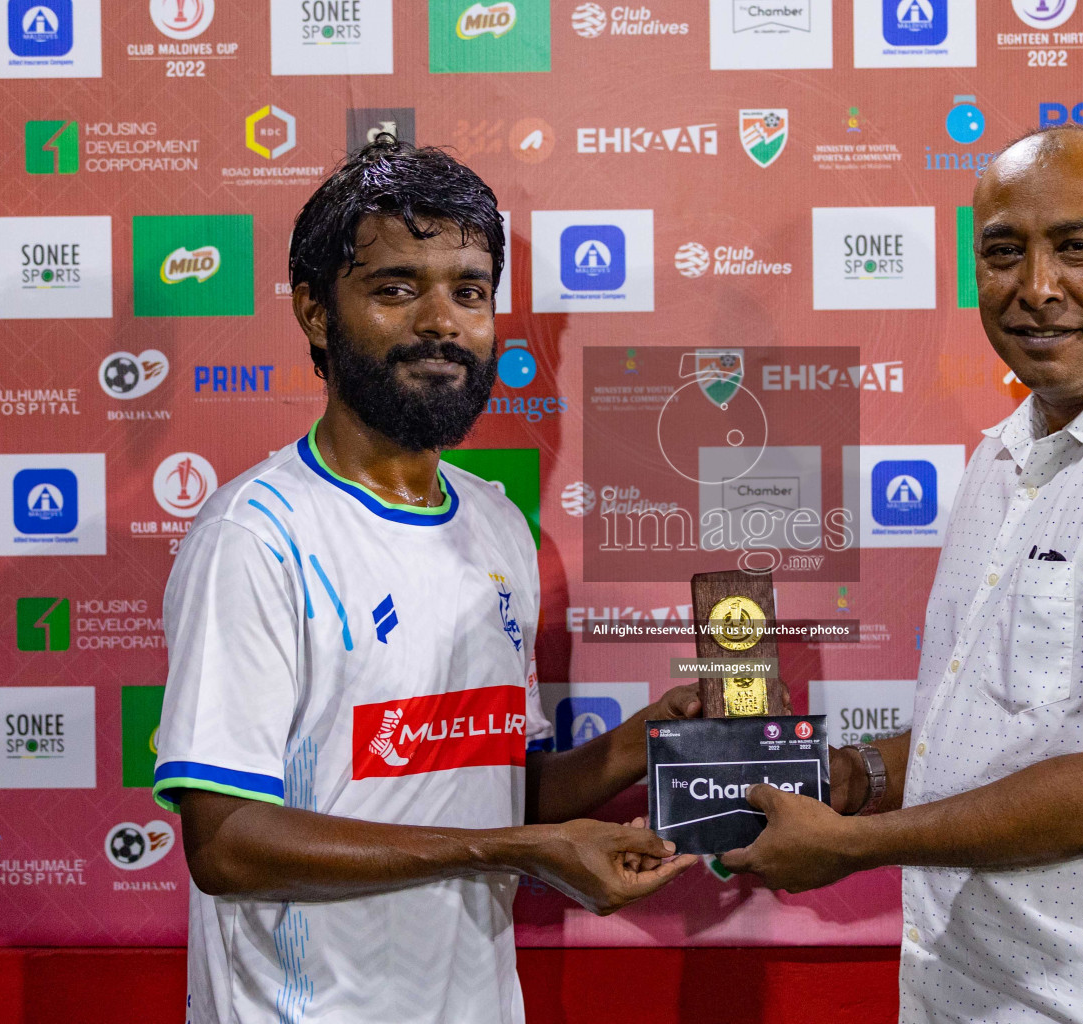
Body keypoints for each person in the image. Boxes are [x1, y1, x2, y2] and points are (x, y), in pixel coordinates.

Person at [722, 125, 1083, 1023]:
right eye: (1005, 252)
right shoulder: (1011, 457)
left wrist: (854, 845)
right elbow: (1008, 731)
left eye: (1078, 247)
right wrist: (856, 778)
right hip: (985, 994)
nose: (1037, 288)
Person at [153, 137, 697, 1024]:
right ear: (315, 313)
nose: (442, 320)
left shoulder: (494, 523)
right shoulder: (255, 536)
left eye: (469, 290)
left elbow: (485, 783)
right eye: (396, 288)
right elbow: (228, 846)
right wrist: (515, 847)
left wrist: (645, 740)